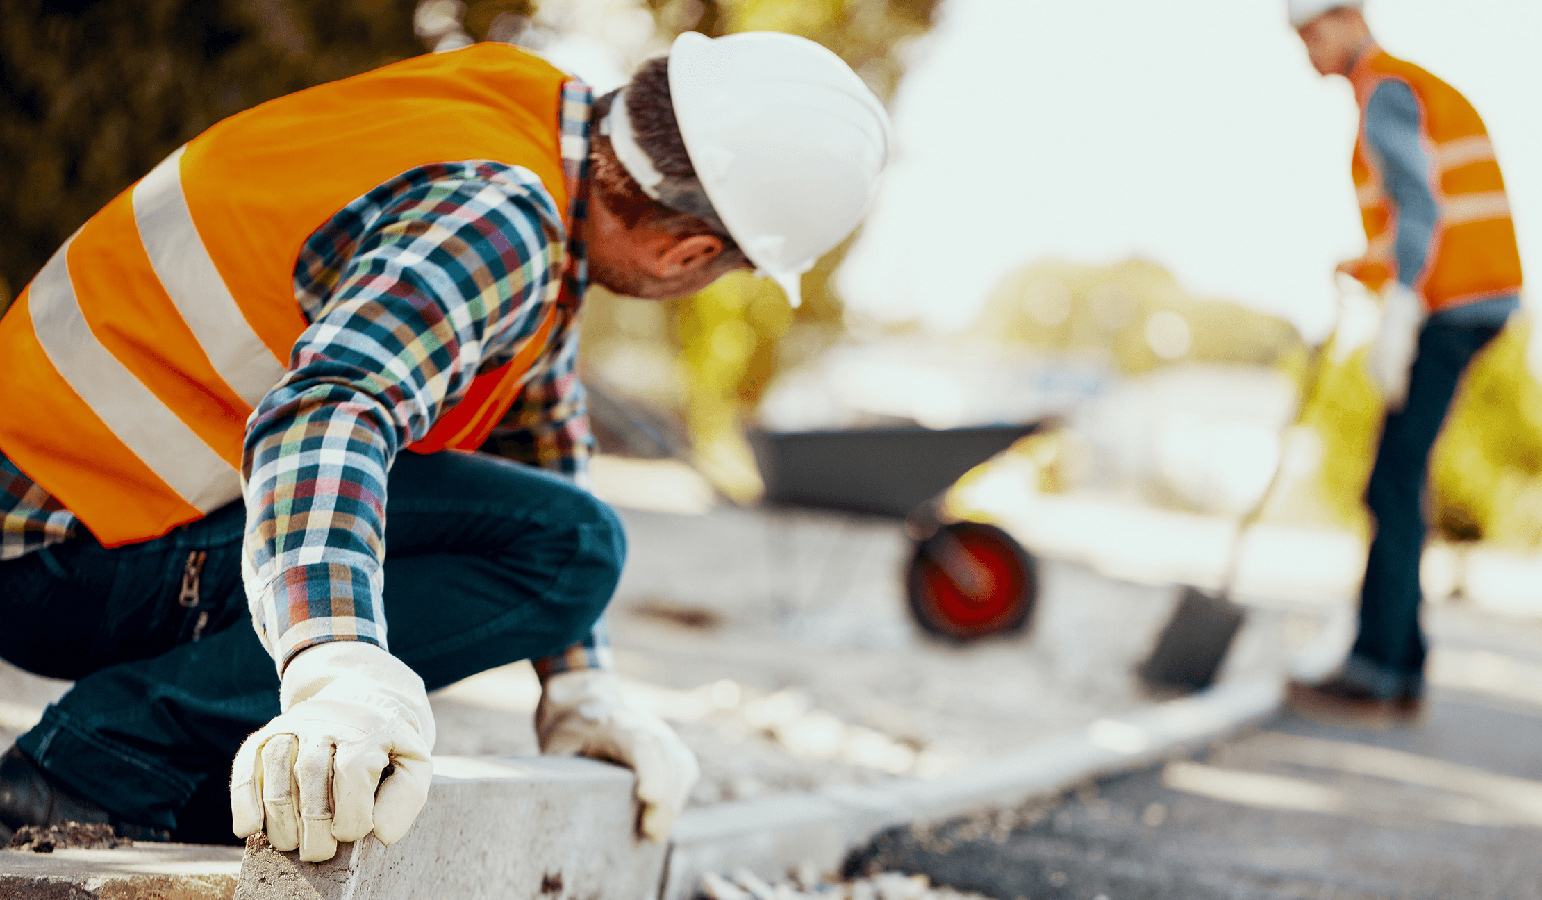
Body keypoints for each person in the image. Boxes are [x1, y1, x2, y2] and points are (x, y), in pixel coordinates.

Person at [0, 30, 890, 860]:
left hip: (64, 510)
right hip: (57, 557)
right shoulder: (503, 221)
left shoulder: (519, 119)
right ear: (687, 254)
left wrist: (582, 686)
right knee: (573, 549)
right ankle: (92, 768)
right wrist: (334, 661)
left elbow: (540, 442)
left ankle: (188, 773)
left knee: (566, 535)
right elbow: (330, 410)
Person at [1281, 0, 1521, 726]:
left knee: (1388, 485)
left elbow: (1419, 209)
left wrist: (1403, 308)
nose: (1306, 52)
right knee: (1399, 477)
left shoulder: (1385, 89)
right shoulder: (1406, 86)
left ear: (1349, 19)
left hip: (1451, 305)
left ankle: (1376, 672)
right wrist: (1368, 265)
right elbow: (1414, 218)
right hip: (1469, 299)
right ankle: (1400, 670)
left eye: (1312, 33)